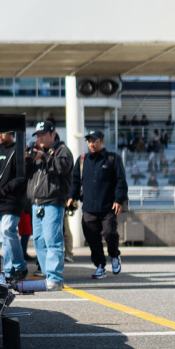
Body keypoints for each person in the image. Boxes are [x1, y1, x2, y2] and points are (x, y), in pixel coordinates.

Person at [70, 130, 128, 279]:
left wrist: (119, 199)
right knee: (92, 238)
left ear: (102, 142)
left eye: (95, 141)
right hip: (89, 208)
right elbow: (75, 181)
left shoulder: (112, 159)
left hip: (108, 207)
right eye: (89, 141)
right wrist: (71, 197)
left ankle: (114, 255)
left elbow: (121, 181)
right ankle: (100, 265)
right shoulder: (82, 160)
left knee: (110, 233)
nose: (91, 144)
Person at [24, 120, 73, 291]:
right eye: (37, 135)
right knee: (38, 241)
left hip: (53, 202)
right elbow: (26, 175)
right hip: (36, 202)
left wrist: (43, 157)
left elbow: (60, 168)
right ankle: (48, 275)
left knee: (53, 240)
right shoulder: (38, 153)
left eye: (43, 134)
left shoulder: (63, 151)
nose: (40, 138)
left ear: (53, 134)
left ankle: (55, 278)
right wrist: (28, 160)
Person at [0, 129, 27, 283]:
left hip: (11, 200)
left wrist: (4, 190)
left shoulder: (17, 151)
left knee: (8, 231)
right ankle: (14, 268)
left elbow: (21, 178)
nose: (0, 136)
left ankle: (15, 268)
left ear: (12, 134)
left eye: (3, 133)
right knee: (2, 238)